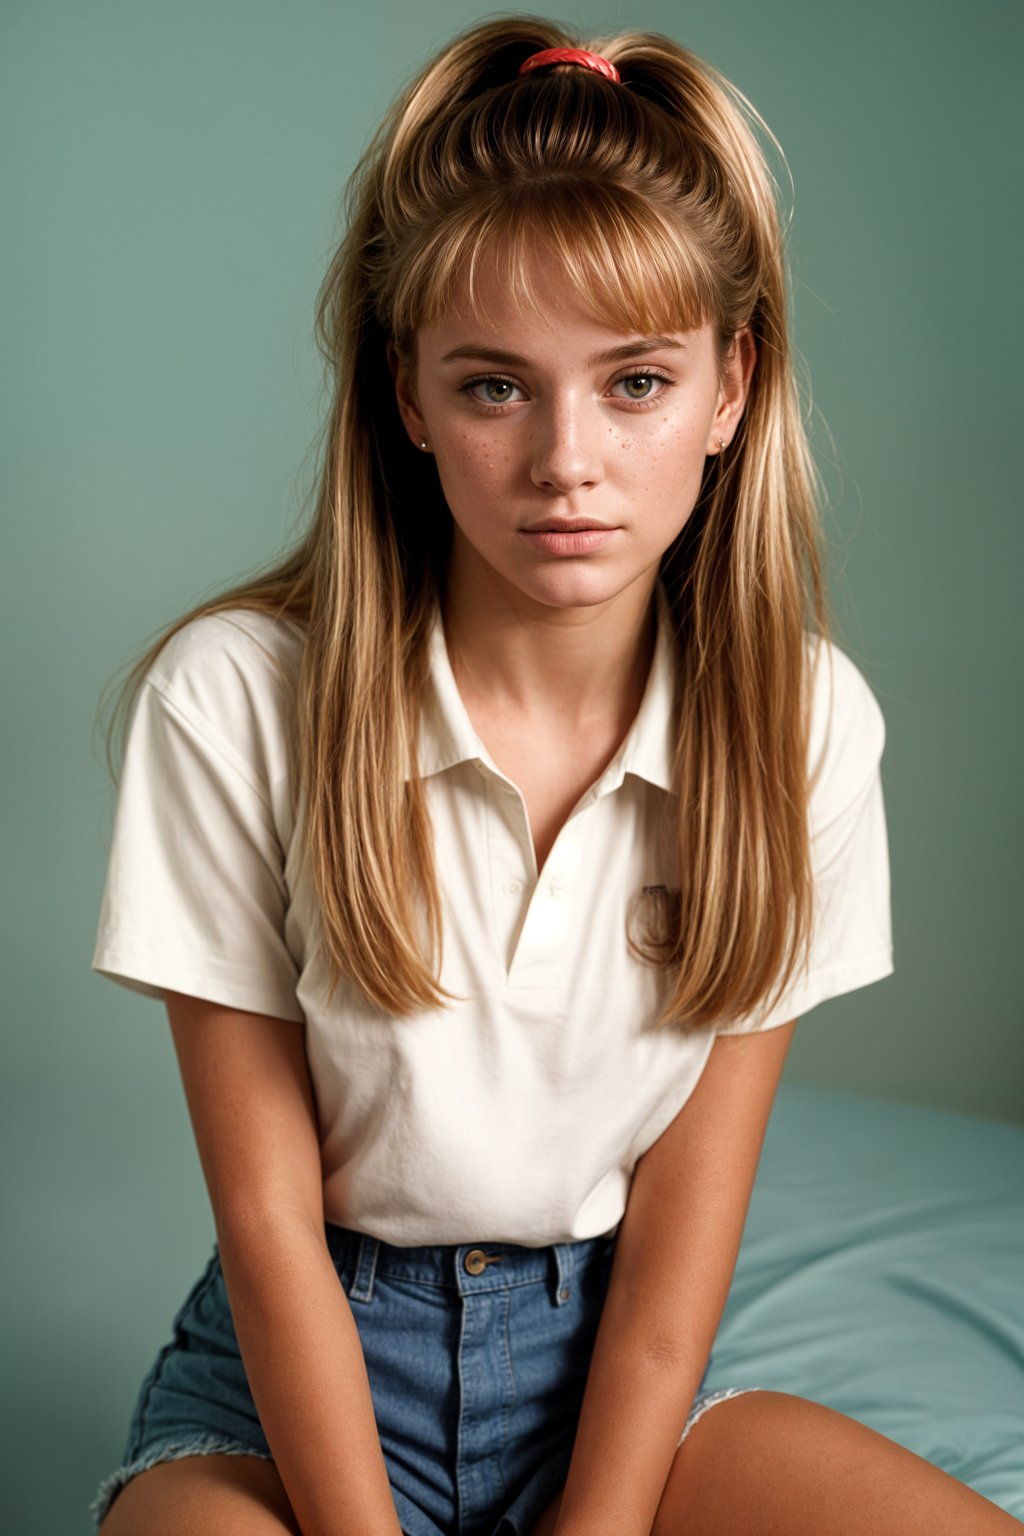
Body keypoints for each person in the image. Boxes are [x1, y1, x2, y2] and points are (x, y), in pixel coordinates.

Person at [88, 17, 1019, 1536]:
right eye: (497, 387)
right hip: (293, 1390)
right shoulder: (237, 696)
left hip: (612, 1384)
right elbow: (265, 1225)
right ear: (408, 398)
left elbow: (680, 1243)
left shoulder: (802, 726)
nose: (566, 460)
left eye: (636, 383)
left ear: (732, 389)